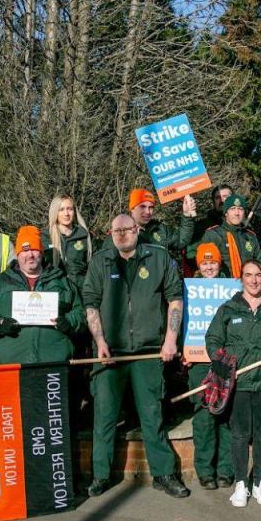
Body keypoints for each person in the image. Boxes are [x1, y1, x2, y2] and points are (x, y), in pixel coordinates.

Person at [83, 214, 190, 499]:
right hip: (110, 353)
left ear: (137, 230)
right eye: (117, 231)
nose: (123, 235)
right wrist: (101, 342)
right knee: (104, 417)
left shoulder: (158, 258)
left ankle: (164, 474)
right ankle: (101, 475)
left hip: (147, 352)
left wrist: (170, 340)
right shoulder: (100, 261)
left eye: (128, 229)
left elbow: (175, 298)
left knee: (152, 416)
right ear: (111, 233)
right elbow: (91, 304)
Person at [205, 260, 261, 507]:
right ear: (241, 278)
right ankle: (240, 484)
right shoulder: (228, 309)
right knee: (240, 434)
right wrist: (222, 365)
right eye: (248, 275)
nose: (254, 280)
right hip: (239, 382)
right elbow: (213, 339)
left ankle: (260, 483)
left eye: (258, 275)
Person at [0, 226, 86, 364]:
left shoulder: (61, 281)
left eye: (34, 249)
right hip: (10, 364)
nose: (30, 255)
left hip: (54, 363)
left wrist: (69, 322)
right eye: (25, 250)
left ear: (41, 252)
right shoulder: (1, 282)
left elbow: (81, 314)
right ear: (17, 254)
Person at [181, 243, 235, 490]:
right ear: (198, 266)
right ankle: (205, 471)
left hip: (224, 361)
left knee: (224, 414)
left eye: (212, 262)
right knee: (203, 417)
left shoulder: (232, 289)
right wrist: (184, 350)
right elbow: (183, 323)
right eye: (204, 262)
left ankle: (226, 470)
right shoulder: (189, 290)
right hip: (198, 362)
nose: (209, 266)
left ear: (219, 263)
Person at [100, 189, 197, 254]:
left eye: (151, 207)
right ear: (132, 208)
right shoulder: (119, 233)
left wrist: (187, 215)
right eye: (142, 206)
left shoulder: (159, 228)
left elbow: (181, 241)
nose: (147, 212)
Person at [199, 193, 261, 278]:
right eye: (232, 209)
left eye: (240, 209)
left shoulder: (250, 236)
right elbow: (204, 267)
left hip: (247, 287)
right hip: (222, 287)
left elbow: (260, 267)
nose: (237, 213)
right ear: (226, 213)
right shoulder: (213, 234)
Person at [42, 194, 94, 290]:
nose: (66, 213)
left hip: (81, 292)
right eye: (61, 209)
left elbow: (94, 269)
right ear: (55, 212)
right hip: (56, 292)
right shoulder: (45, 237)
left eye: (70, 209)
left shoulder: (85, 236)